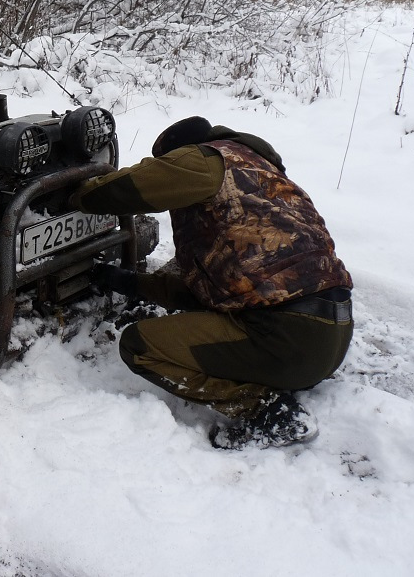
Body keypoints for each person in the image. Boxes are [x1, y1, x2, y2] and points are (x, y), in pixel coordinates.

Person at [71, 116, 353, 449]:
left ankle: (266, 411)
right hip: (334, 336)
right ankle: (277, 379)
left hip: (290, 341)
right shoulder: (259, 174)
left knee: (141, 347)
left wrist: (74, 196)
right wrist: (128, 283)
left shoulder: (203, 160)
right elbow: (210, 292)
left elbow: (130, 187)